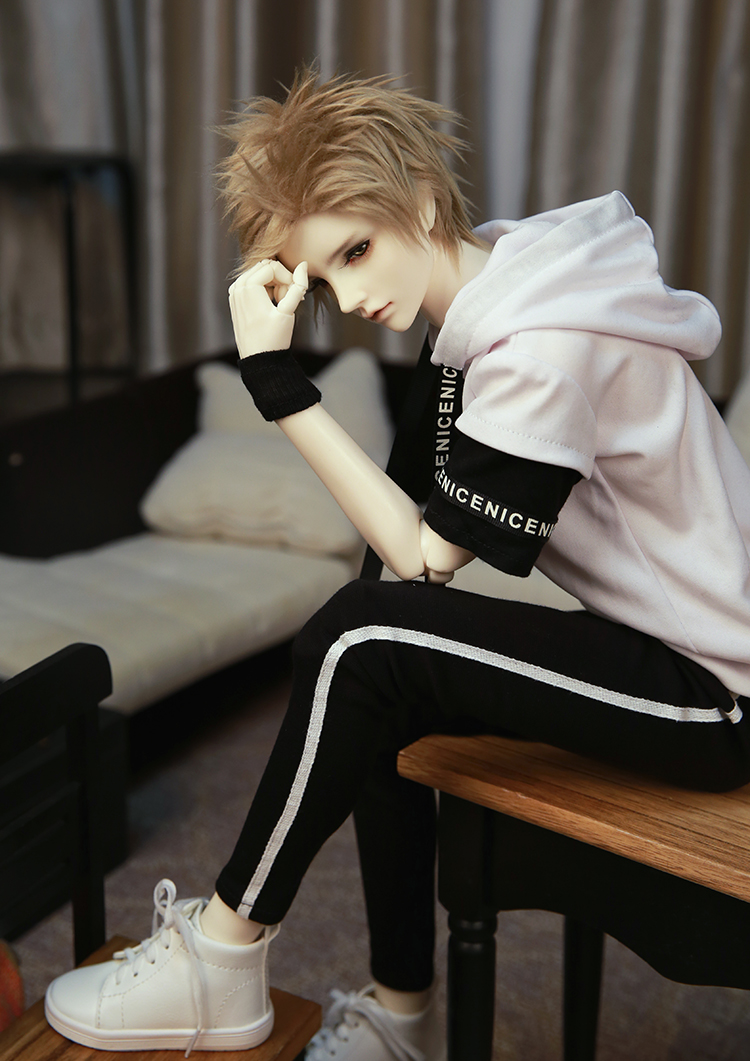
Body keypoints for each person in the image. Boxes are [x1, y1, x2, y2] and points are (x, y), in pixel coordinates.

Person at [45, 68, 750, 1061]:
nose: (354, 295)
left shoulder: (539, 349)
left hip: (719, 693)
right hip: (659, 650)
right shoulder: (493, 297)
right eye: (325, 277)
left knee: (360, 636)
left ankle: (222, 951)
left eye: (357, 250)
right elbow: (403, 554)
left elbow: (427, 556)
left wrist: (276, 381)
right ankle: (400, 1014)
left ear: (420, 198)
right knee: (372, 651)